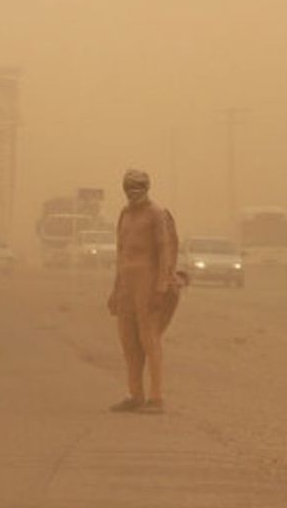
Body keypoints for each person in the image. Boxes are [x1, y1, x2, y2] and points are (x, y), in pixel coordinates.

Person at [107, 169, 182, 414]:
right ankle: (134, 394)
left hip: (148, 284)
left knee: (149, 340)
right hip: (127, 285)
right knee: (128, 342)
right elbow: (121, 253)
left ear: (147, 188)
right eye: (129, 187)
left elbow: (165, 251)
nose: (133, 192)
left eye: (138, 187)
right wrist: (115, 291)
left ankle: (156, 397)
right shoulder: (125, 215)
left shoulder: (156, 214)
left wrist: (161, 286)